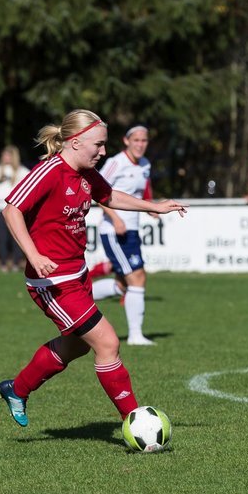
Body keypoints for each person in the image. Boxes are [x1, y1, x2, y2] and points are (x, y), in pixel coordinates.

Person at [0, 109, 187, 428]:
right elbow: (12, 209)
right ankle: (136, 422)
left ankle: (16, 389)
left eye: (104, 145)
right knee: (108, 342)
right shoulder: (50, 171)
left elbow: (109, 195)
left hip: (77, 274)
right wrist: (34, 254)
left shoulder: (85, 172)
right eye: (97, 145)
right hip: (52, 281)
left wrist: (154, 206)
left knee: (75, 347)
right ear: (73, 142)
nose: (103, 152)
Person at [97, 124, 157, 345]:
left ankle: (80, 297)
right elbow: (97, 191)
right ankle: (135, 335)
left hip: (132, 229)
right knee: (137, 277)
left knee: (123, 284)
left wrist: (150, 208)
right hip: (114, 230)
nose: (140, 145)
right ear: (126, 141)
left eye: (144, 141)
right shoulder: (115, 162)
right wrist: (116, 218)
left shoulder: (145, 164)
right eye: (137, 140)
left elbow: (143, 193)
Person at [0, 145, 29, 271]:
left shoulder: (21, 171)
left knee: (16, 237)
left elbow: (30, 186)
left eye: (8, 155)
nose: (5, 157)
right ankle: (3, 264)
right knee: (2, 238)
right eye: (4, 155)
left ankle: (15, 264)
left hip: (15, 210)